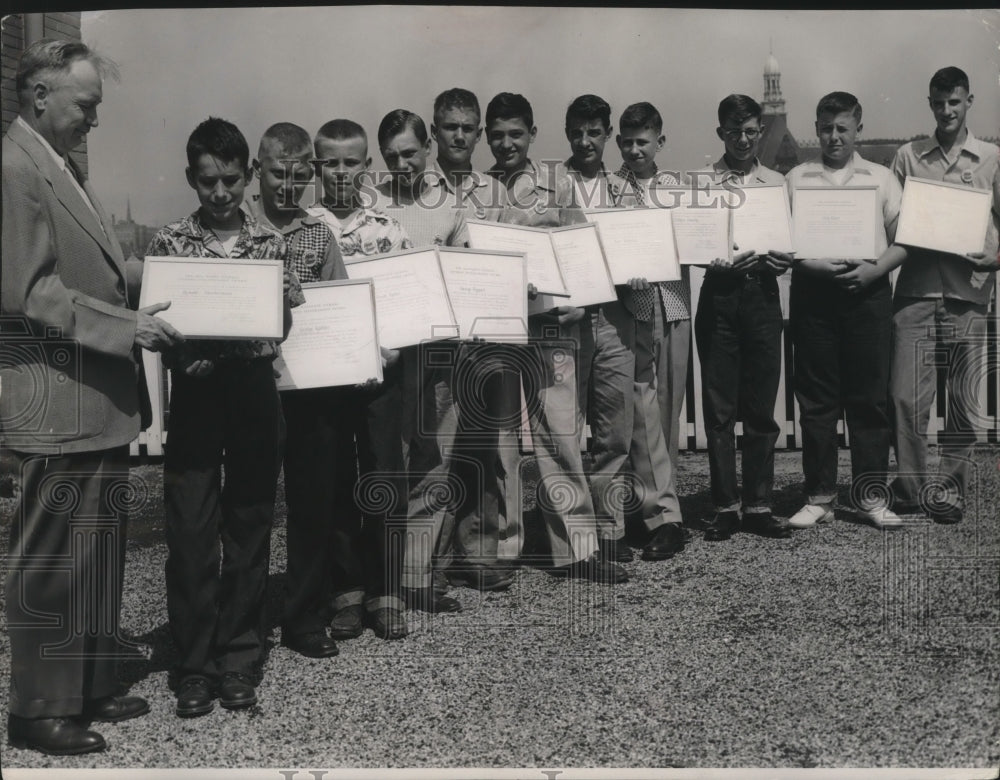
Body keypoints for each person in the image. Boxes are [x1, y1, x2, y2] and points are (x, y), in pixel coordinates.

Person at [2, 39, 182, 754]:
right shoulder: (13, 168)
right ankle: (39, 708)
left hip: (94, 401)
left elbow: (101, 268)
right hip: (56, 399)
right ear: (39, 95)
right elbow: (28, 292)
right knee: (51, 560)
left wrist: (181, 276)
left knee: (98, 550)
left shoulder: (58, 165)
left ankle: (90, 677)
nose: (94, 121)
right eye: (86, 106)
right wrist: (128, 326)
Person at [145, 117, 300, 717]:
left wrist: (274, 316)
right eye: (207, 181)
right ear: (191, 177)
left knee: (249, 525)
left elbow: (283, 325)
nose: (220, 193)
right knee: (189, 530)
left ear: (248, 176)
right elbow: (158, 329)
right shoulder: (169, 242)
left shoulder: (271, 244)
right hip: (198, 394)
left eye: (231, 180)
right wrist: (184, 353)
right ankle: (193, 664)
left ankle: (238, 657)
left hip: (254, 391)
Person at [473, 91, 626, 583]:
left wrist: (579, 300)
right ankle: (505, 546)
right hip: (496, 331)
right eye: (496, 135)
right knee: (501, 441)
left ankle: (578, 548)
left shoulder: (557, 185)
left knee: (558, 436)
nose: (505, 143)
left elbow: (580, 250)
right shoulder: (478, 189)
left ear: (533, 134)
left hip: (550, 330)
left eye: (515, 134)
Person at [307, 118, 413, 639]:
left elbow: (405, 300)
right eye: (331, 162)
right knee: (337, 480)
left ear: (367, 166)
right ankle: (345, 590)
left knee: (384, 475)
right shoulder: (306, 227)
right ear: (315, 165)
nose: (342, 172)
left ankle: (386, 590)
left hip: (382, 372)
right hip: (327, 377)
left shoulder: (388, 228)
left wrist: (386, 354)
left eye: (352, 162)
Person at [246, 122, 347, 659]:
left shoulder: (319, 235)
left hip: (311, 390)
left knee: (312, 504)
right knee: (251, 504)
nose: (288, 187)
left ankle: (305, 616)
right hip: (253, 390)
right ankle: (246, 616)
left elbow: (340, 308)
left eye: (299, 176)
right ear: (257, 171)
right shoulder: (235, 231)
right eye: (278, 174)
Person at [784, 92, 907, 530]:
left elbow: (904, 239)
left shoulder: (882, 177)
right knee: (816, 401)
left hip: (867, 297)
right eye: (825, 127)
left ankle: (871, 497)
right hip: (814, 296)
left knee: (868, 400)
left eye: (842, 128)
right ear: (815, 127)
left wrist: (874, 273)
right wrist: (813, 264)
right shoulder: (797, 177)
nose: (833, 137)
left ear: (858, 128)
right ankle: (819, 496)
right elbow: (784, 242)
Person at [887, 66, 1000, 524]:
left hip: (967, 294)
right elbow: (890, 224)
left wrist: (996, 259)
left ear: (969, 101)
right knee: (905, 398)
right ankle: (910, 488)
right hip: (914, 292)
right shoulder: (909, 156)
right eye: (938, 102)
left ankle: (951, 491)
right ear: (929, 103)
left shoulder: (991, 158)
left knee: (960, 400)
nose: (946, 110)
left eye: (954, 102)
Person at [374, 108, 469, 614]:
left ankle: (417, 575)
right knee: (391, 462)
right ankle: (383, 576)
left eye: (409, 153)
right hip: (390, 358)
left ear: (428, 147)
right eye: (391, 157)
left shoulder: (450, 207)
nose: (401, 164)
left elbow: (465, 277)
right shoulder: (371, 205)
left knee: (434, 458)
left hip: (438, 353)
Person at [691, 94, 794, 541]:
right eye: (734, 132)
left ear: (760, 131)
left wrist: (782, 261)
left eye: (751, 131)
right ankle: (725, 506)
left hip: (762, 296)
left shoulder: (776, 182)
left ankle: (759, 504)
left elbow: (788, 243)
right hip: (720, 296)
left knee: (760, 407)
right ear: (720, 133)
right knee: (718, 408)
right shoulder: (703, 182)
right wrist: (707, 260)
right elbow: (692, 244)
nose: (743, 140)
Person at [603, 101, 688, 561]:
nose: (636, 150)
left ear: (660, 141)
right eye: (628, 142)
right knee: (640, 407)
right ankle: (655, 513)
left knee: (668, 410)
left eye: (644, 142)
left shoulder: (679, 188)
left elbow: (698, 238)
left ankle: (664, 515)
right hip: (631, 308)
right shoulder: (611, 188)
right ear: (618, 142)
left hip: (672, 304)